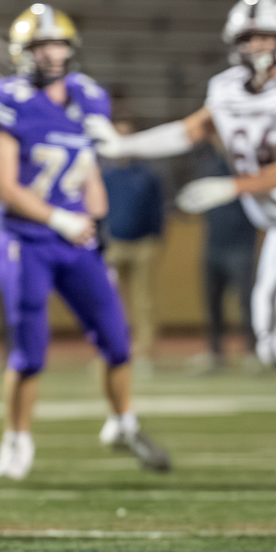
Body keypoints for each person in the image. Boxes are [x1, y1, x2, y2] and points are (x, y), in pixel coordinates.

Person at [93, 0, 276, 476]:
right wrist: (124, 143)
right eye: (248, 37)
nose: (256, 45)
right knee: (272, 345)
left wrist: (233, 187)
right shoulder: (225, 89)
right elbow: (187, 131)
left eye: (264, 36)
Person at [0, 4, 169, 481]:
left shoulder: (89, 96)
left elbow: (89, 171)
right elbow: (0, 186)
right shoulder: (6, 101)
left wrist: (97, 224)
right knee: (29, 351)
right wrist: (58, 217)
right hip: (28, 239)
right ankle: (16, 441)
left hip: (77, 239)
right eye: (40, 45)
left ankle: (123, 423)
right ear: (21, 52)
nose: (50, 54)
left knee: (117, 339)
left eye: (57, 44)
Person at [101, 126, 165, 372]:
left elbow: (158, 210)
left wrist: (156, 239)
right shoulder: (106, 175)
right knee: (110, 301)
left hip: (144, 244)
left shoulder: (147, 175)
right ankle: (115, 350)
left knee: (143, 301)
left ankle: (144, 353)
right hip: (113, 245)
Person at [195, 152, 258, 373]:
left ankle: (253, 352)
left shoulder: (247, 165)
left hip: (242, 245)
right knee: (212, 304)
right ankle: (216, 353)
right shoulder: (209, 165)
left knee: (248, 303)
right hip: (213, 244)